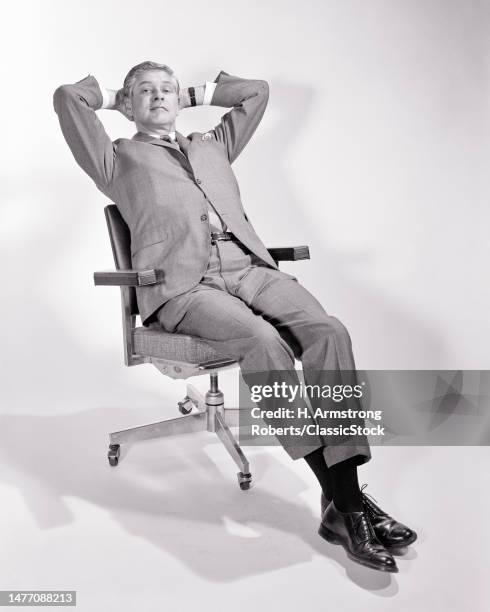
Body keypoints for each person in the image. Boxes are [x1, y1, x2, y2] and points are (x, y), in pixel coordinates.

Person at [53, 61, 416, 573]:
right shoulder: (116, 159)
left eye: (167, 90)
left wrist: (196, 92)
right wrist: (116, 95)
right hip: (184, 287)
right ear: (128, 105)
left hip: (248, 268)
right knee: (264, 343)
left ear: (183, 99)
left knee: (330, 333)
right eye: (145, 93)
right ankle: (349, 504)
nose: (158, 98)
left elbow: (257, 94)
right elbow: (68, 98)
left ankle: (342, 504)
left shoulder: (212, 144)